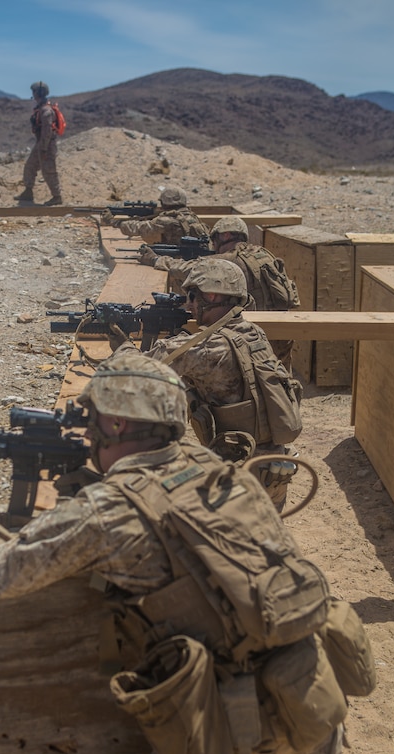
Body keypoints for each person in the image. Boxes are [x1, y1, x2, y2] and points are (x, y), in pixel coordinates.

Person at [0, 351, 350, 754]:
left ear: (116, 423)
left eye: (94, 420)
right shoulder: (227, 476)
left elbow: (3, 571)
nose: (86, 433)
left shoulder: (107, 510)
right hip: (313, 692)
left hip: (236, 724)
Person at [112, 257, 302, 511]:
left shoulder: (208, 348)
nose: (187, 305)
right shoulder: (253, 333)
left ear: (212, 296)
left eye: (192, 296)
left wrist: (121, 343)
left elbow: (132, 373)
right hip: (272, 472)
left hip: (235, 479)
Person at [140, 215, 300, 370]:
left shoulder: (231, 261)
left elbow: (188, 269)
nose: (214, 245)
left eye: (215, 240)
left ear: (226, 235)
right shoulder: (264, 254)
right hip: (280, 335)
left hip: (251, 335)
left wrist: (156, 259)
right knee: (280, 381)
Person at [102, 186, 209, 244]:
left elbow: (138, 228)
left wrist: (113, 222)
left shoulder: (165, 221)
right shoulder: (191, 216)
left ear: (164, 203)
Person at [16, 81, 62, 207]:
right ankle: (28, 191)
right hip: (40, 143)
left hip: (46, 145)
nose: (33, 94)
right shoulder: (40, 109)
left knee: (48, 170)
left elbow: (47, 131)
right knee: (30, 166)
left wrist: (43, 148)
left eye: (34, 92)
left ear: (39, 93)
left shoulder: (46, 111)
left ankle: (57, 196)